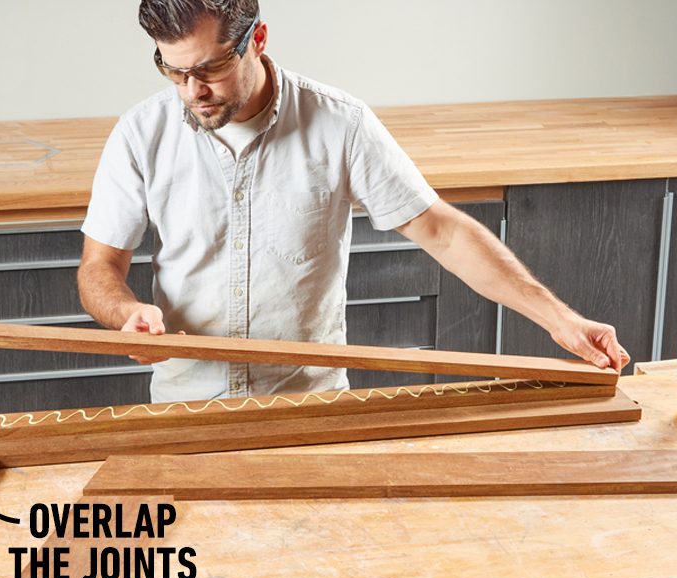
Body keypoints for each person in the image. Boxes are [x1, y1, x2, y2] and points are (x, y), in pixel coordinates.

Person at [78, 0, 630, 403]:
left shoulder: (339, 124)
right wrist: (126, 314)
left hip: (310, 405)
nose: (192, 90)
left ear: (258, 39)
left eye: (211, 68)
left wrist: (559, 319)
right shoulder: (140, 133)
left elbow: (442, 230)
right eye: (174, 71)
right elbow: (99, 267)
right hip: (184, 406)